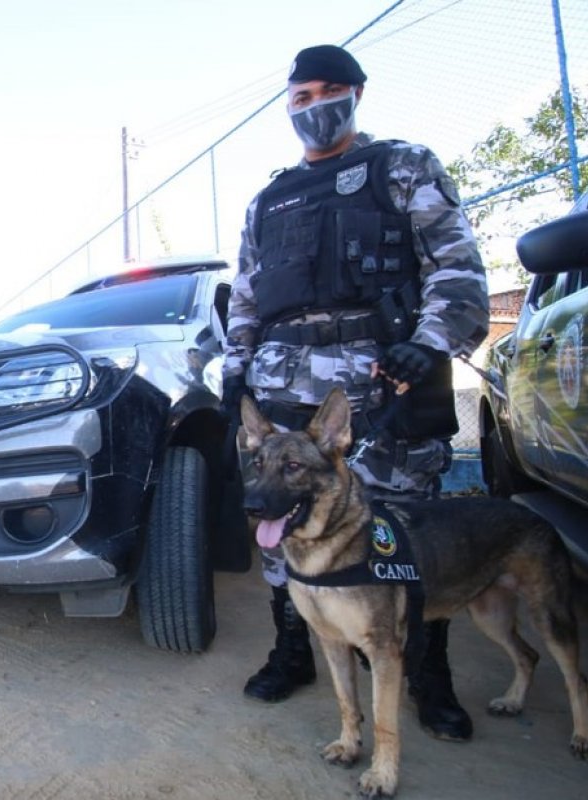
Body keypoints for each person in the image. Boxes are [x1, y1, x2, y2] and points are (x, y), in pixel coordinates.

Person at [222, 45, 489, 742]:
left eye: (326, 92)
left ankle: (429, 675)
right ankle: (294, 650)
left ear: (357, 93)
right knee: (285, 534)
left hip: (381, 378)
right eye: (299, 97)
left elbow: (456, 268)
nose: (313, 107)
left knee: (403, 532)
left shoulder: (402, 165)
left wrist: (429, 343)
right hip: (282, 381)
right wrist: (232, 367)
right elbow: (247, 298)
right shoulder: (269, 198)